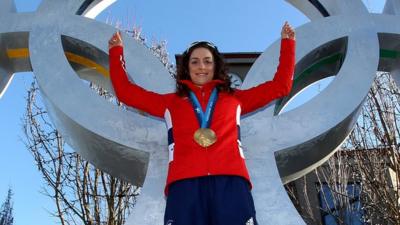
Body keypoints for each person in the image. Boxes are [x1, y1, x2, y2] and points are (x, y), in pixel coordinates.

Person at [108, 22, 295, 225]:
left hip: (230, 182)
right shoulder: (171, 103)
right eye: (195, 62)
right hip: (184, 186)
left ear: (216, 67)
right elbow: (126, 92)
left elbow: (281, 86)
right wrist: (116, 52)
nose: (202, 67)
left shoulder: (235, 99)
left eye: (207, 61)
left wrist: (288, 44)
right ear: (187, 68)